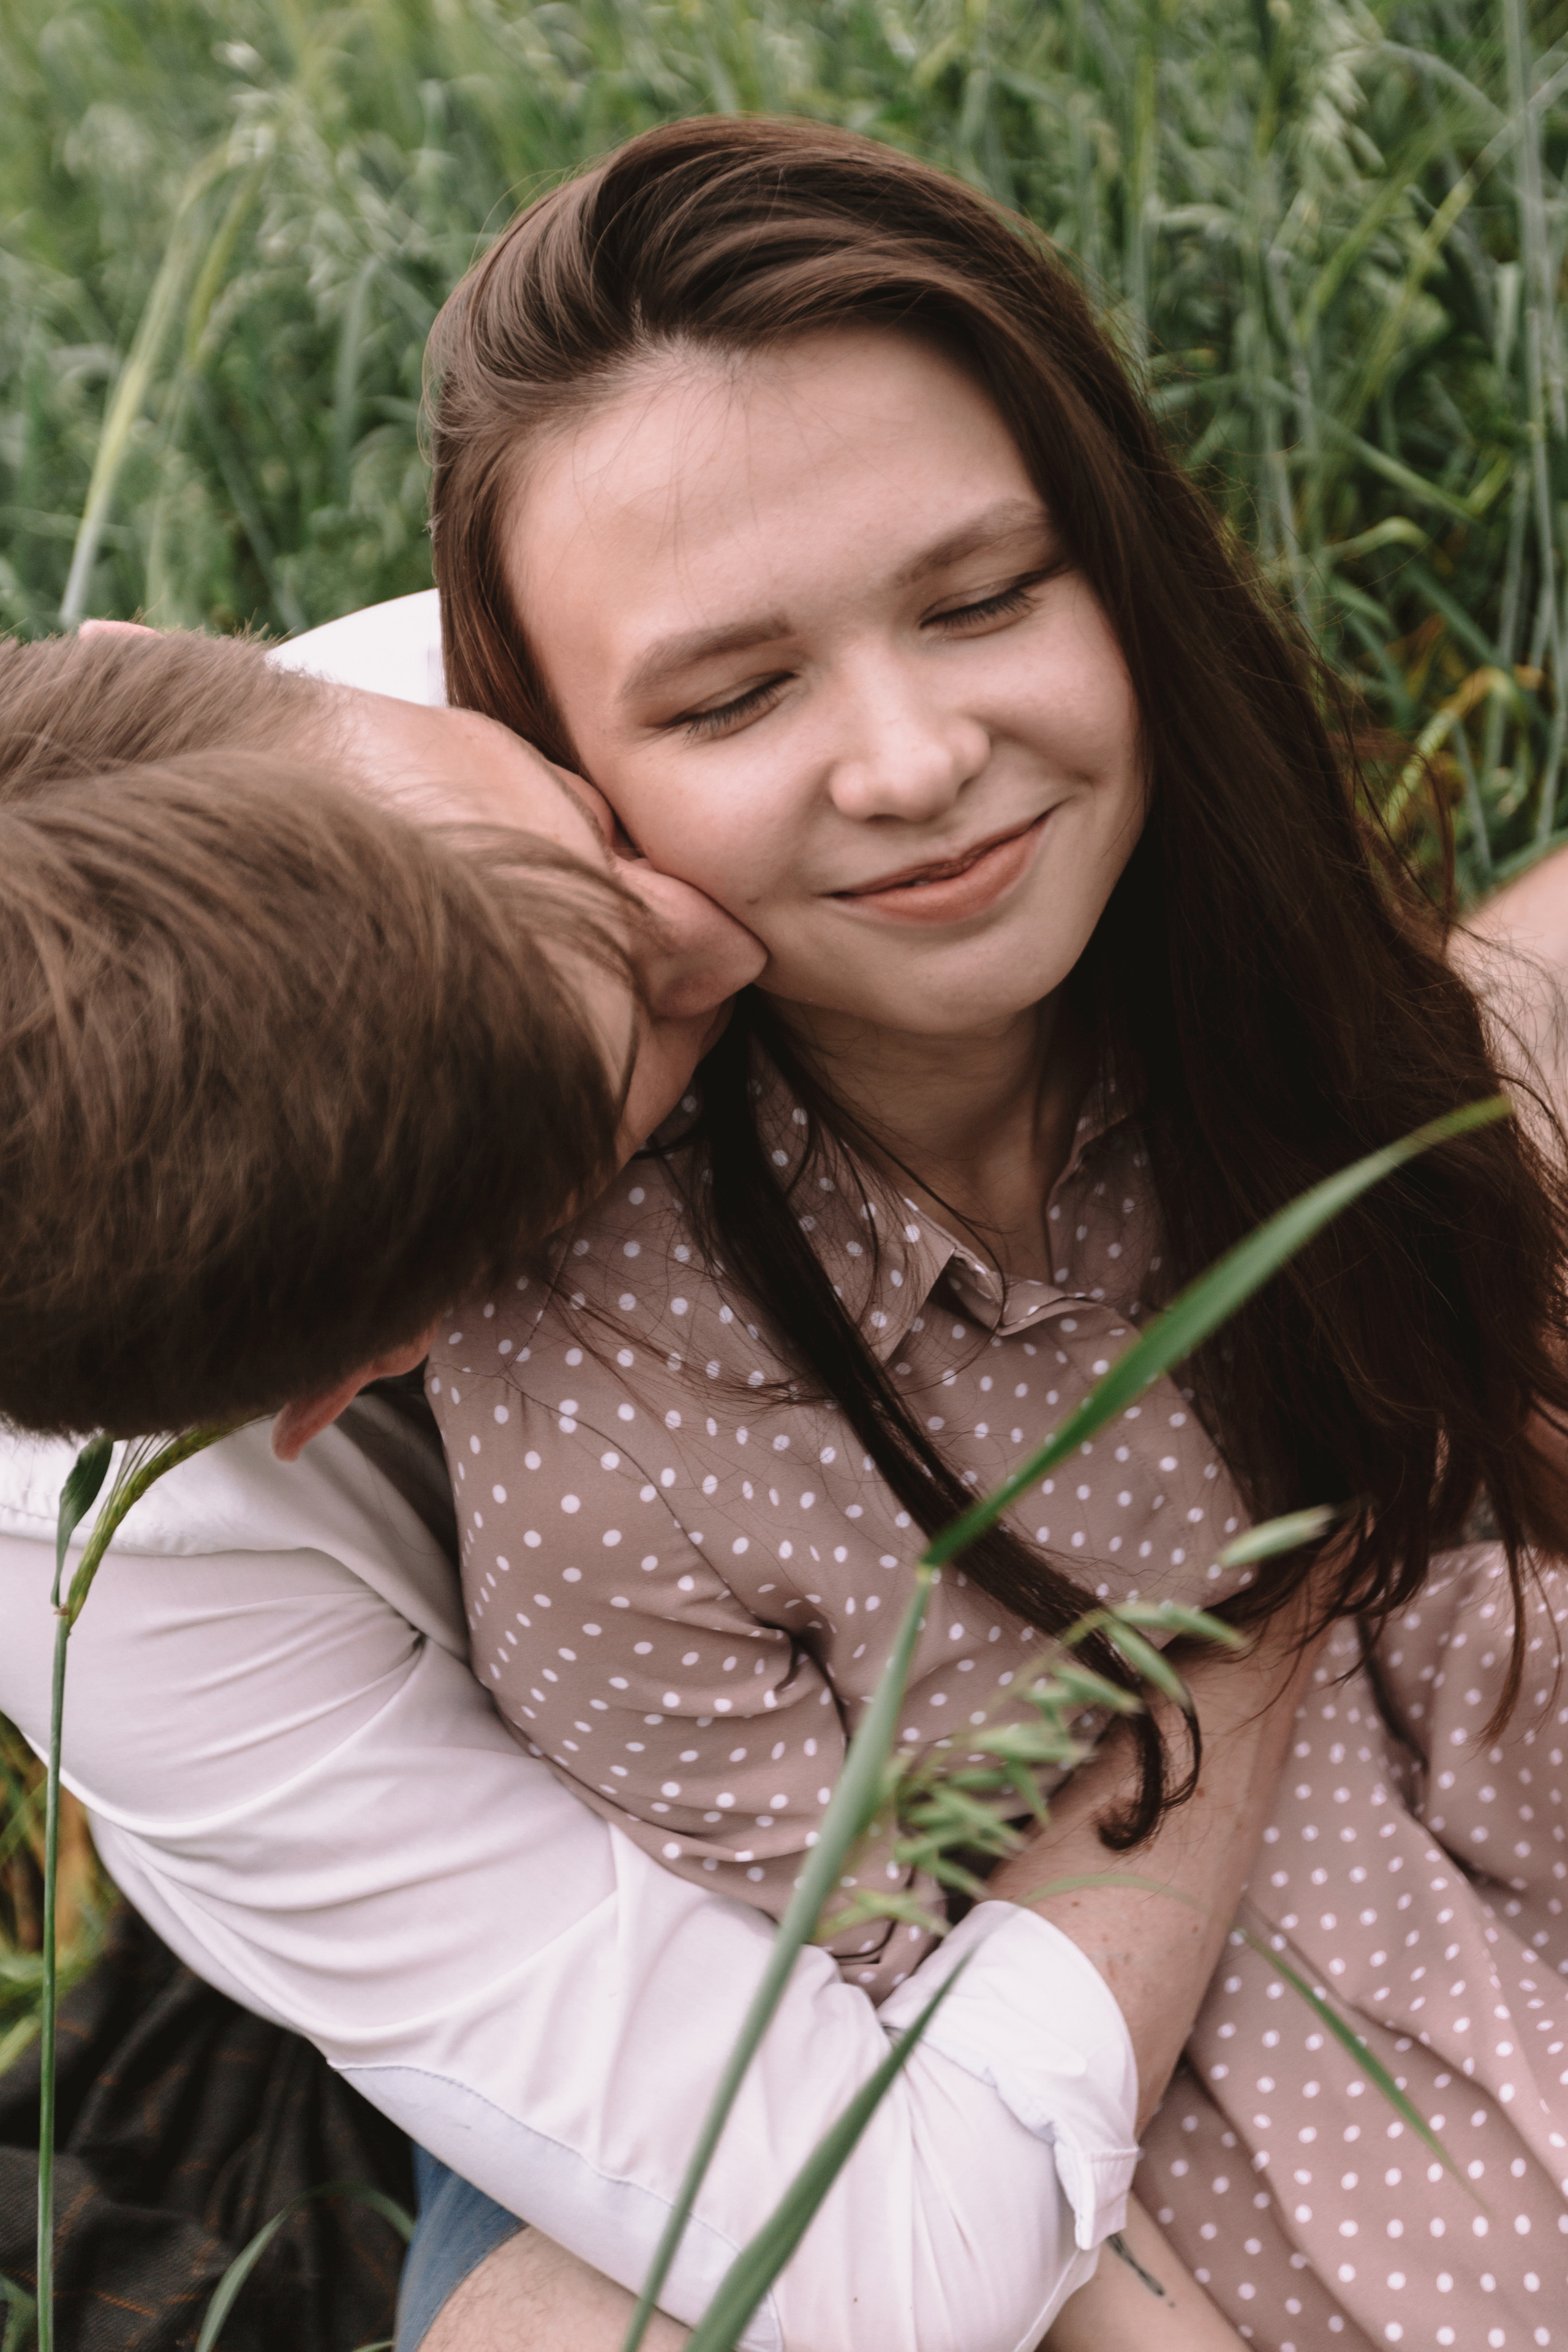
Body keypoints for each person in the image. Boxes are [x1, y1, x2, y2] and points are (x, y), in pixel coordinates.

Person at [415, 116, 1568, 2352]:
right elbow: (874, 2159)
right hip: (1180, 2199)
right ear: (569, 777)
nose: (918, 754)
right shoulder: (604, 1394)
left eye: (982, 598)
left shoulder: (1280, 1006)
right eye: (736, 696)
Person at [0, 617, 1303, 2352]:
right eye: (642, 1020)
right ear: (383, 1357)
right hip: (640, 1863)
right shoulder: (143, 1609)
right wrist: (1261, 1620)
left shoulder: (538, 628)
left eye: (583, 824)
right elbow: (901, 2261)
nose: (710, 927)